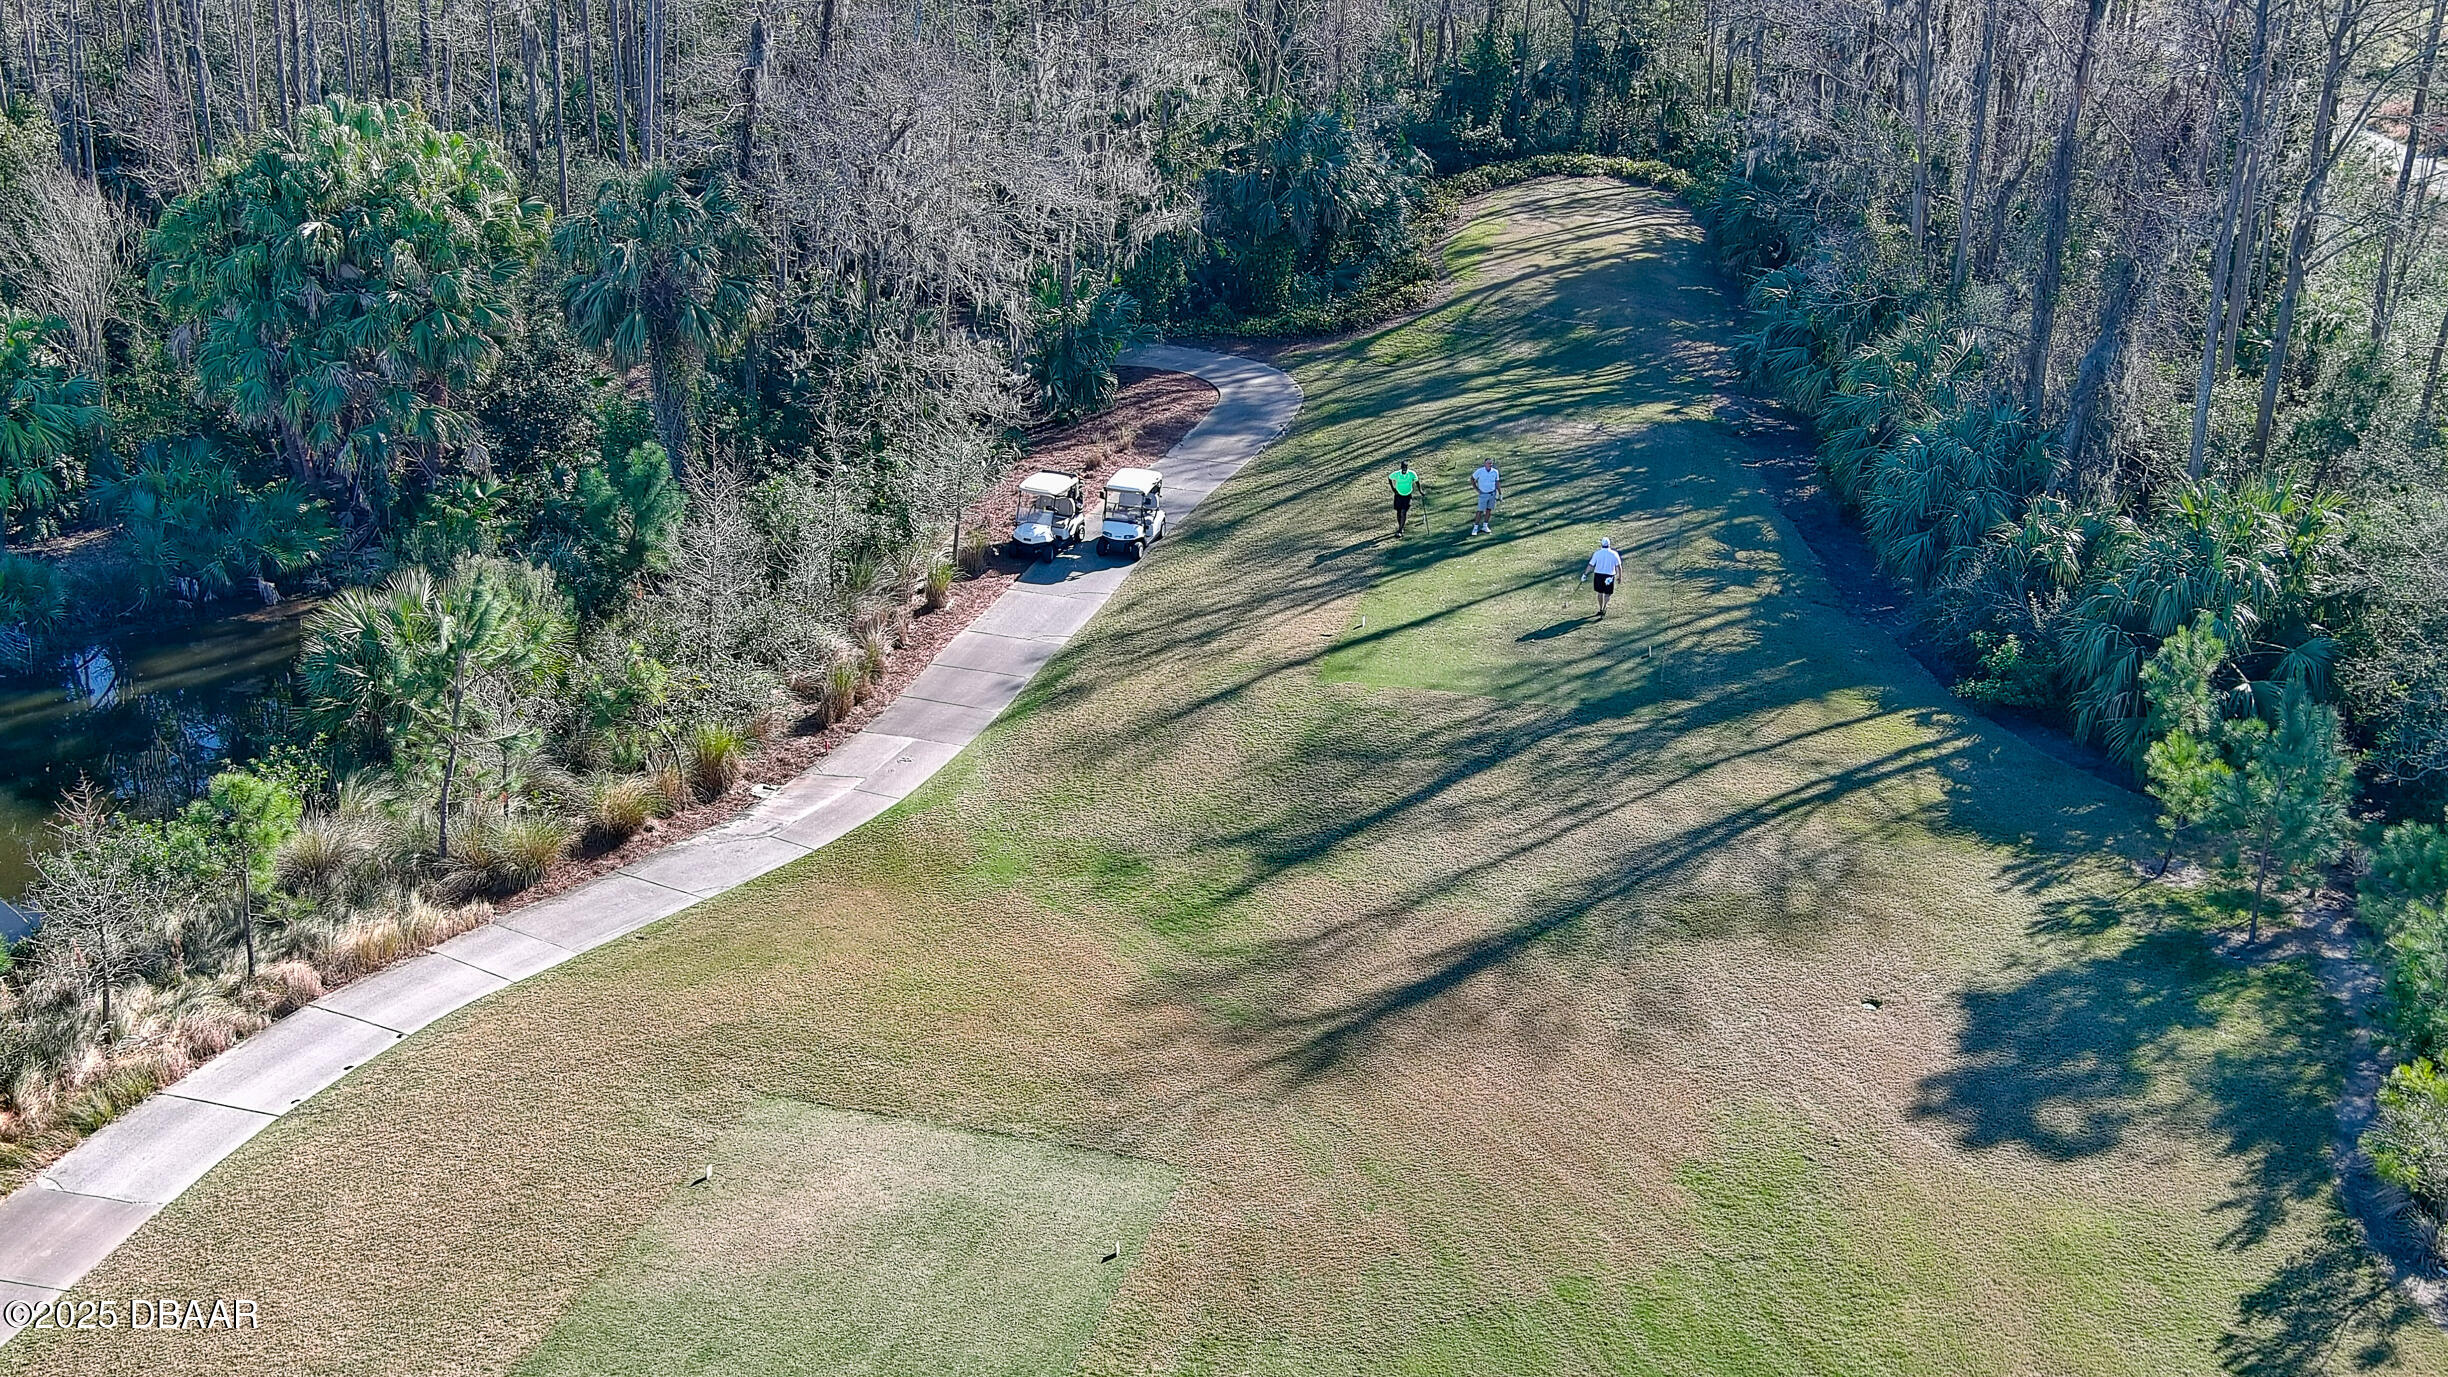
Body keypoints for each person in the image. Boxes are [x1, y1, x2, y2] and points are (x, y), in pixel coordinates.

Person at [1587, 536, 1623, 617]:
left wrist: (1585, 574)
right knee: (1607, 593)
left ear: (1601, 544)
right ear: (1609, 544)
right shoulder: (1614, 554)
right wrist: (1620, 577)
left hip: (1598, 575)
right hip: (1609, 576)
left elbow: (1591, 565)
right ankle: (1604, 607)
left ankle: (1600, 608)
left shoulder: (1597, 553)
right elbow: (1618, 566)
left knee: (1600, 593)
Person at [1387, 461, 1420, 534]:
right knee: (1399, 512)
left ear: (1407, 468)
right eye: (1403, 467)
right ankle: (1400, 526)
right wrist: (1393, 488)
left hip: (1407, 495)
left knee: (1403, 512)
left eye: (1405, 467)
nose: (1404, 469)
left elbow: (1417, 481)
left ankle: (1400, 530)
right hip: (1398, 495)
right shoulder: (1397, 474)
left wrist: (1420, 491)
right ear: (1401, 467)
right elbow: (1389, 478)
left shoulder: (1412, 474)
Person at [1469, 460, 1501, 534]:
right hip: (1483, 494)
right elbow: (1472, 479)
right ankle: (1475, 527)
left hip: (1492, 493)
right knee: (1480, 511)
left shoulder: (1495, 472)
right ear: (1485, 464)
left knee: (1489, 510)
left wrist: (1500, 493)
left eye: (1491, 463)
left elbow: (1497, 482)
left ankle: (1485, 526)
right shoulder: (1480, 471)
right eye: (1488, 463)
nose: (1490, 464)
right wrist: (1476, 489)